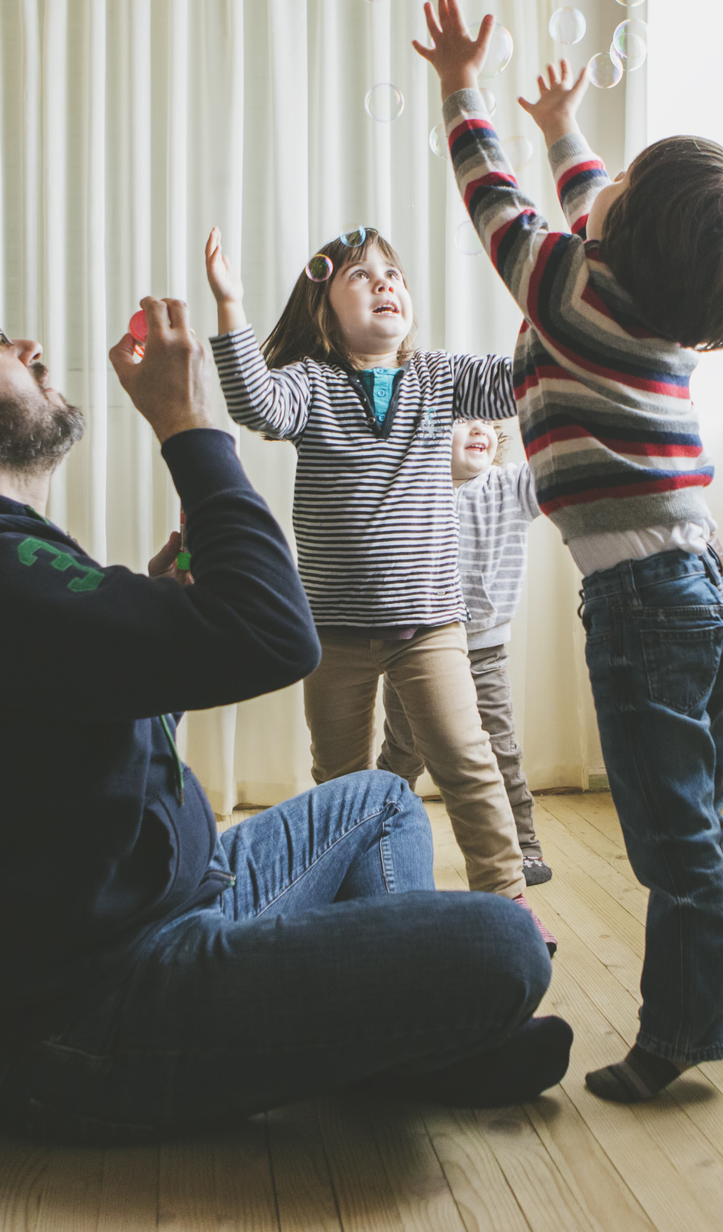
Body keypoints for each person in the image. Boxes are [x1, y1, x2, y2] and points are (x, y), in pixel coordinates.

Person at [0, 272, 571, 1141]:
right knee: (500, 944)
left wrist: (155, 599)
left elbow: (70, 714)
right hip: (92, 1021)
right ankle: (393, 1034)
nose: (31, 349)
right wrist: (187, 423)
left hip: (172, 911)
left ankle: (386, 1032)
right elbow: (280, 635)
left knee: (381, 801)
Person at [413, 0, 723, 1105]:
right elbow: (592, 199)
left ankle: (676, 1033)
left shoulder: (570, 291)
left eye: (618, 186)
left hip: (647, 601)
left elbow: (497, 206)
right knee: (699, 812)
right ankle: (709, 988)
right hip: (704, 585)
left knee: (668, 832)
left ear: (622, 239)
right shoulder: (646, 302)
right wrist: (566, 128)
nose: (599, 184)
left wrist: (461, 88)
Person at [202, 226, 552, 943]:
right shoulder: (310, 383)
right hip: (331, 630)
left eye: (392, 273)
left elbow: (522, 376)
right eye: (359, 276)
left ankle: (508, 900)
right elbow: (255, 406)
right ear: (324, 311)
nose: (383, 283)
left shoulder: (438, 377)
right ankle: (352, 904)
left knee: (465, 758)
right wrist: (230, 307)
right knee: (340, 779)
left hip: (430, 624)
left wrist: (551, 294)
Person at [378, 418, 552, 885]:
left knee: (500, 747)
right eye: (461, 420)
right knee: (404, 748)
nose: (479, 428)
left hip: (484, 651)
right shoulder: (413, 489)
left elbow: (553, 469)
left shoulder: (510, 485)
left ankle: (524, 847)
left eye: (487, 422)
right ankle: (371, 835)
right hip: (416, 650)